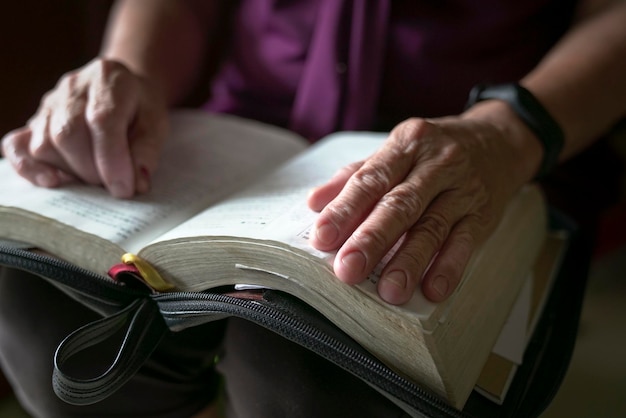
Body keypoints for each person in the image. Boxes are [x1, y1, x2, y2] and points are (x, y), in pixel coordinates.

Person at [0, 0, 624, 417]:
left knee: (305, 372)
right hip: (245, 131)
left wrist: (506, 134)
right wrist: (128, 73)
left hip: (489, 139)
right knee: (41, 302)